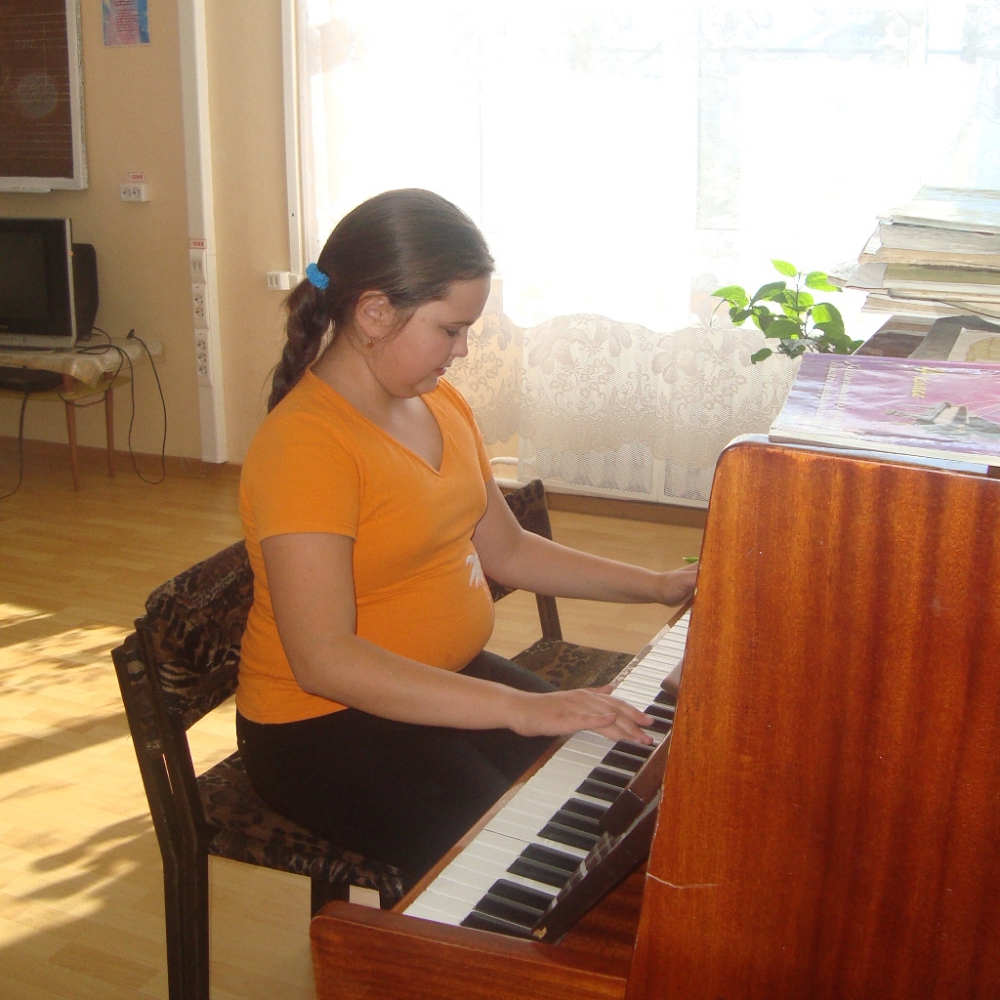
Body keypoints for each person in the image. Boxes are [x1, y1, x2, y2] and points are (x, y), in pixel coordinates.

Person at [235, 189, 697, 888]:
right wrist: (520, 709)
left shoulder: (438, 400)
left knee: (612, 782)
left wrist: (659, 586)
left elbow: (507, 550)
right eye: (451, 329)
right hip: (323, 727)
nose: (464, 348)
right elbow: (324, 661)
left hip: (442, 684)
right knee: (532, 863)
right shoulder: (306, 445)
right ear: (373, 313)